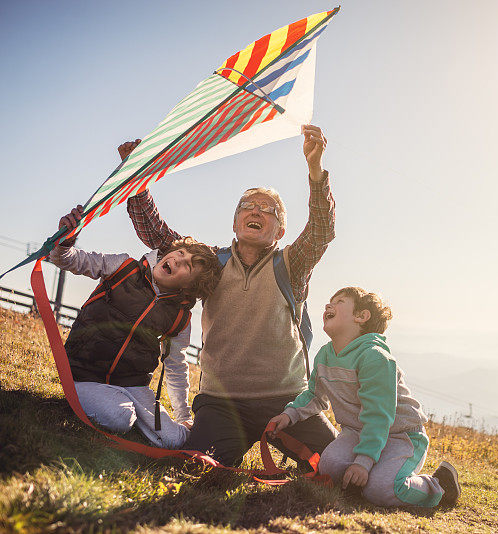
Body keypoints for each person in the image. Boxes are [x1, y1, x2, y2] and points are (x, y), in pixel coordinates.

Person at [122, 124, 338, 467]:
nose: (256, 211)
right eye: (247, 206)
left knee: (336, 466)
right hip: (221, 401)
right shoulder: (211, 263)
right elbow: (160, 238)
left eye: (267, 210)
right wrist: (138, 179)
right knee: (200, 465)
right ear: (236, 222)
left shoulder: (290, 265)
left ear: (280, 230)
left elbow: (321, 232)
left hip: (288, 403)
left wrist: (315, 170)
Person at [268, 287, 461, 507]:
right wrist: (289, 415)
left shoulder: (375, 357)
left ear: (361, 316)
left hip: (401, 436)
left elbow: (378, 417)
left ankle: (439, 486)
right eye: (330, 301)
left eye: (339, 301)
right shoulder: (324, 355)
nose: (328, 306)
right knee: (329, 467)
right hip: (357, 433)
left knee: (381, 490)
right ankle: (366, 477)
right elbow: (314, 395)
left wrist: (363, 461)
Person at [51, 205, 221, 448]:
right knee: (121, 417)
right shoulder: (122, 267)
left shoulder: (179, 318)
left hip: (133, 384)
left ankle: (134, 411)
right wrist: (65, 241)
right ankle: (94, 402)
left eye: (188, 266)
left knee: (175, 439)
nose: (178, 259)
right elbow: (67, 260)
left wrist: (184, 417)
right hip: (84, 374)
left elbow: (175, 366)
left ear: (189, 288)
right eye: (180, 252)